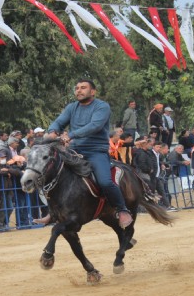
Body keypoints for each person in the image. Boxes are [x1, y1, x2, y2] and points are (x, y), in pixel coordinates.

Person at [47, 79, 133, 228]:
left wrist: (71, 135)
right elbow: (59, 121)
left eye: (83, 88)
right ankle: (53, 212)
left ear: (92, 91)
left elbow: (95, 125)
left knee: (105, 182)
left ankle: (122, 209)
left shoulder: (102, 106)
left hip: (95, 151)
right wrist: (52, 131)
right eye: (77, 88)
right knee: (51, 173)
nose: (79, 90)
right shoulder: (71, 107)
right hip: (74, 150)